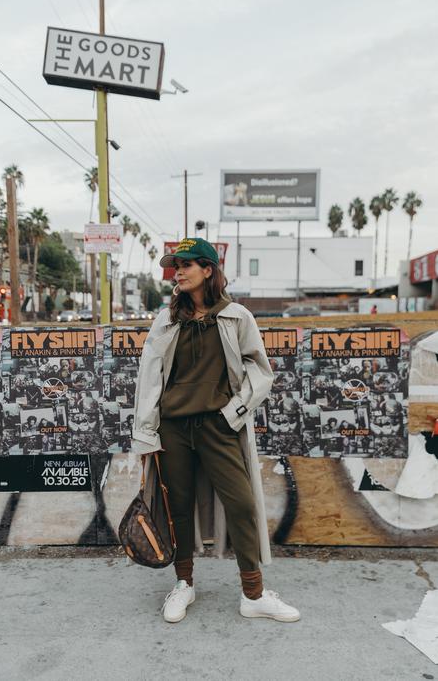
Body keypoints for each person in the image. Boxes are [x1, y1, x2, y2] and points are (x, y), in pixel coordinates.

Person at [131, 238, 300, 625]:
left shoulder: (237, 316)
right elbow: (150, 377)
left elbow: (260, 372)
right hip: (172, 428)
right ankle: (184, 583)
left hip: (218, 426)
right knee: (179, 508)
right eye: (175, 265)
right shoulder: (167, 319)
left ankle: (253, 594)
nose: (179, 271)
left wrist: (232, 413)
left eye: (187, 264)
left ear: (208, 269)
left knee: (242, 504)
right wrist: (146, 433)